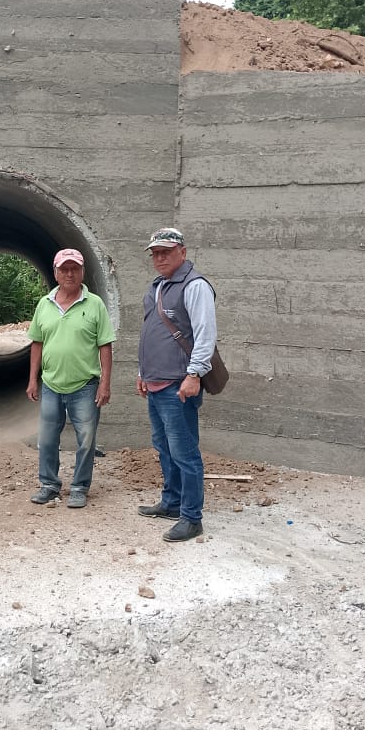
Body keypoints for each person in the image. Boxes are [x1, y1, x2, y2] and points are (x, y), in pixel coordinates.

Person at [136, 228, 218, 542]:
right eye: (155, 253)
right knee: (164, 448)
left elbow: (205, 335)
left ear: (182, 252)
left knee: (184, 453)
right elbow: (150, 332)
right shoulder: (157, 286)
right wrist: (143, 372)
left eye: (166, 252)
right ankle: (171, 503)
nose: (159, 258)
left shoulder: (195, 286)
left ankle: (192, 518)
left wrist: (194, 375)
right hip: (156, 383)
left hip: (178, 386)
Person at [26, 248, 116, 508]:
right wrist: (33, 379)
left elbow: (105, 345)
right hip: (51, 385)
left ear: (82, 272)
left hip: (85, 386)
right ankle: (49, 485)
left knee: (86, 440)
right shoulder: (44, 305)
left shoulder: (95, 304)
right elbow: (37, 343)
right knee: (47, 439)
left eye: (74, 268)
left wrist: (105, 384)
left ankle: (79, 488)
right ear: (55, 273)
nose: (69, 273)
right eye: (64, 269)